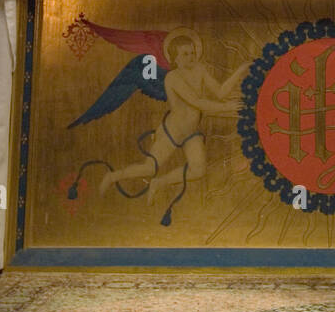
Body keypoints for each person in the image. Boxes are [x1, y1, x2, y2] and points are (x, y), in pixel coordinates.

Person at [99, 31, 247, 223]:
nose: (191, 57)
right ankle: (112, 176)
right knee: (149, 168)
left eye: (192, 53)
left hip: (191, 132)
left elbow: (219, 93)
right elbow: (199, 102)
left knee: (198, 170)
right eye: (185, 54)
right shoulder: (173, 78)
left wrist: (240, 70)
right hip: (172, 132)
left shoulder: (200, 70)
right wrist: (229, 108)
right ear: (174, 58)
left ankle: (160, 183)